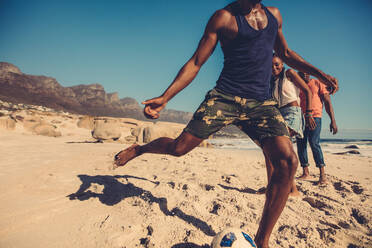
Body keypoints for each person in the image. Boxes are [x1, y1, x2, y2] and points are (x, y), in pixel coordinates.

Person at [114, 1, 338, 247]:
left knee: (288, 161)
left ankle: (262, 241)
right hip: (225, 97)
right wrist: (166, 97)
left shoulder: (274, 15)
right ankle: (140, 149)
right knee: (179, 148)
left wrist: (320, 74)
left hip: (261, 103)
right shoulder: (223, 18)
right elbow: (196, 62)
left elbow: (285, 54)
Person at [265, 54, 316, 197]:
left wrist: (309, 113)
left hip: (293, 113)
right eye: (270, 65)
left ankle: (293, 190)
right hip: (279, 114)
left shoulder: (289, 74)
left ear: (282, 64)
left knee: (280, 149)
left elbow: (307, 91)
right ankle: (271, 186)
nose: (274, 68)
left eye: (277, 64)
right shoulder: (272, 81)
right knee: (268, 150)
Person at [296, 72, 338, 185]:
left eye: (306, 72)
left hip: (315, 117)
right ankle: (305, 172)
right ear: (298, 73)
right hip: (300, 117)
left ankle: (322, 175)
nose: (304, 74)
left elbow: (327, 101)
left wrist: (332, 120)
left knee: (314, 143)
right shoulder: (297, 84)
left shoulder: (317, 83)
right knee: (301, 143)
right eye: (301, 72)